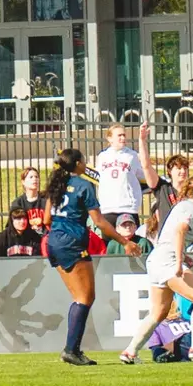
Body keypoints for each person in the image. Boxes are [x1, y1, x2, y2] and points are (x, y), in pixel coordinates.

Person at [44, 147, 140, 366]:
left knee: (79, 298)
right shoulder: (84, 185)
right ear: (77, 163)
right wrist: (124, 241)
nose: (86, 164)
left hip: (54, 242)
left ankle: (72, 349)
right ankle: (71, 350)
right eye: (84, 160)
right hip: (72, 242)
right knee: (85, 298)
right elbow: (99, 222)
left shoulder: (55, 185)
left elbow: (47, 218)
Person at [118, 175, 193, 365]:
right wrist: (179, 262)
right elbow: (180, 231)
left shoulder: (181, 205)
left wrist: (183, 256)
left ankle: (130, 351)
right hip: (167, 263)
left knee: (159, 312)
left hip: (157, 260)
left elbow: (170, 235)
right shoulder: (192, 209)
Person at [93, 123, 158, 226]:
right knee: (109, 242)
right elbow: (98, 178)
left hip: (128, 207)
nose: (123, 138)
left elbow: (142, 174)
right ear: (110, 138)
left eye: (124, 135)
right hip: (108, 207)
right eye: (119, 135)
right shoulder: (102, 156)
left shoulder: (132, 155)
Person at [10, 167, 47, 233]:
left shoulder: (46, 201)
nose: (35, 179)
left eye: (36, 177)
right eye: (31, 177)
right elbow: (12, 226)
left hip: (44, 238)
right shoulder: (18, 203)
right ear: (23, 182)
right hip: (26, 240)